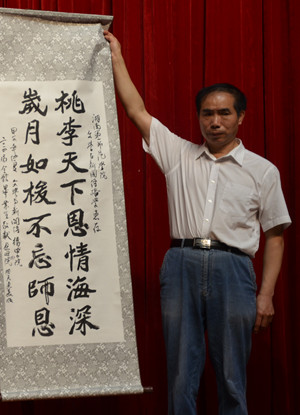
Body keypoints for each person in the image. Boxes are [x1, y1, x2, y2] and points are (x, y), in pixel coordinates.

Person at [104, 30, 291, 414]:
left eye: (224, 113)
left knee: (232, 376)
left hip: (234, 270)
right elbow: (136, 111)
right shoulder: (179, 155)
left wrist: (266, 294)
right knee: (180, 373)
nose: (215, 121)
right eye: (207, 113)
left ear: (241, 117)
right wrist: (116, 56)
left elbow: (275, 236)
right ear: (199, 117)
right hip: (181, 265)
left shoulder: (263, 171)